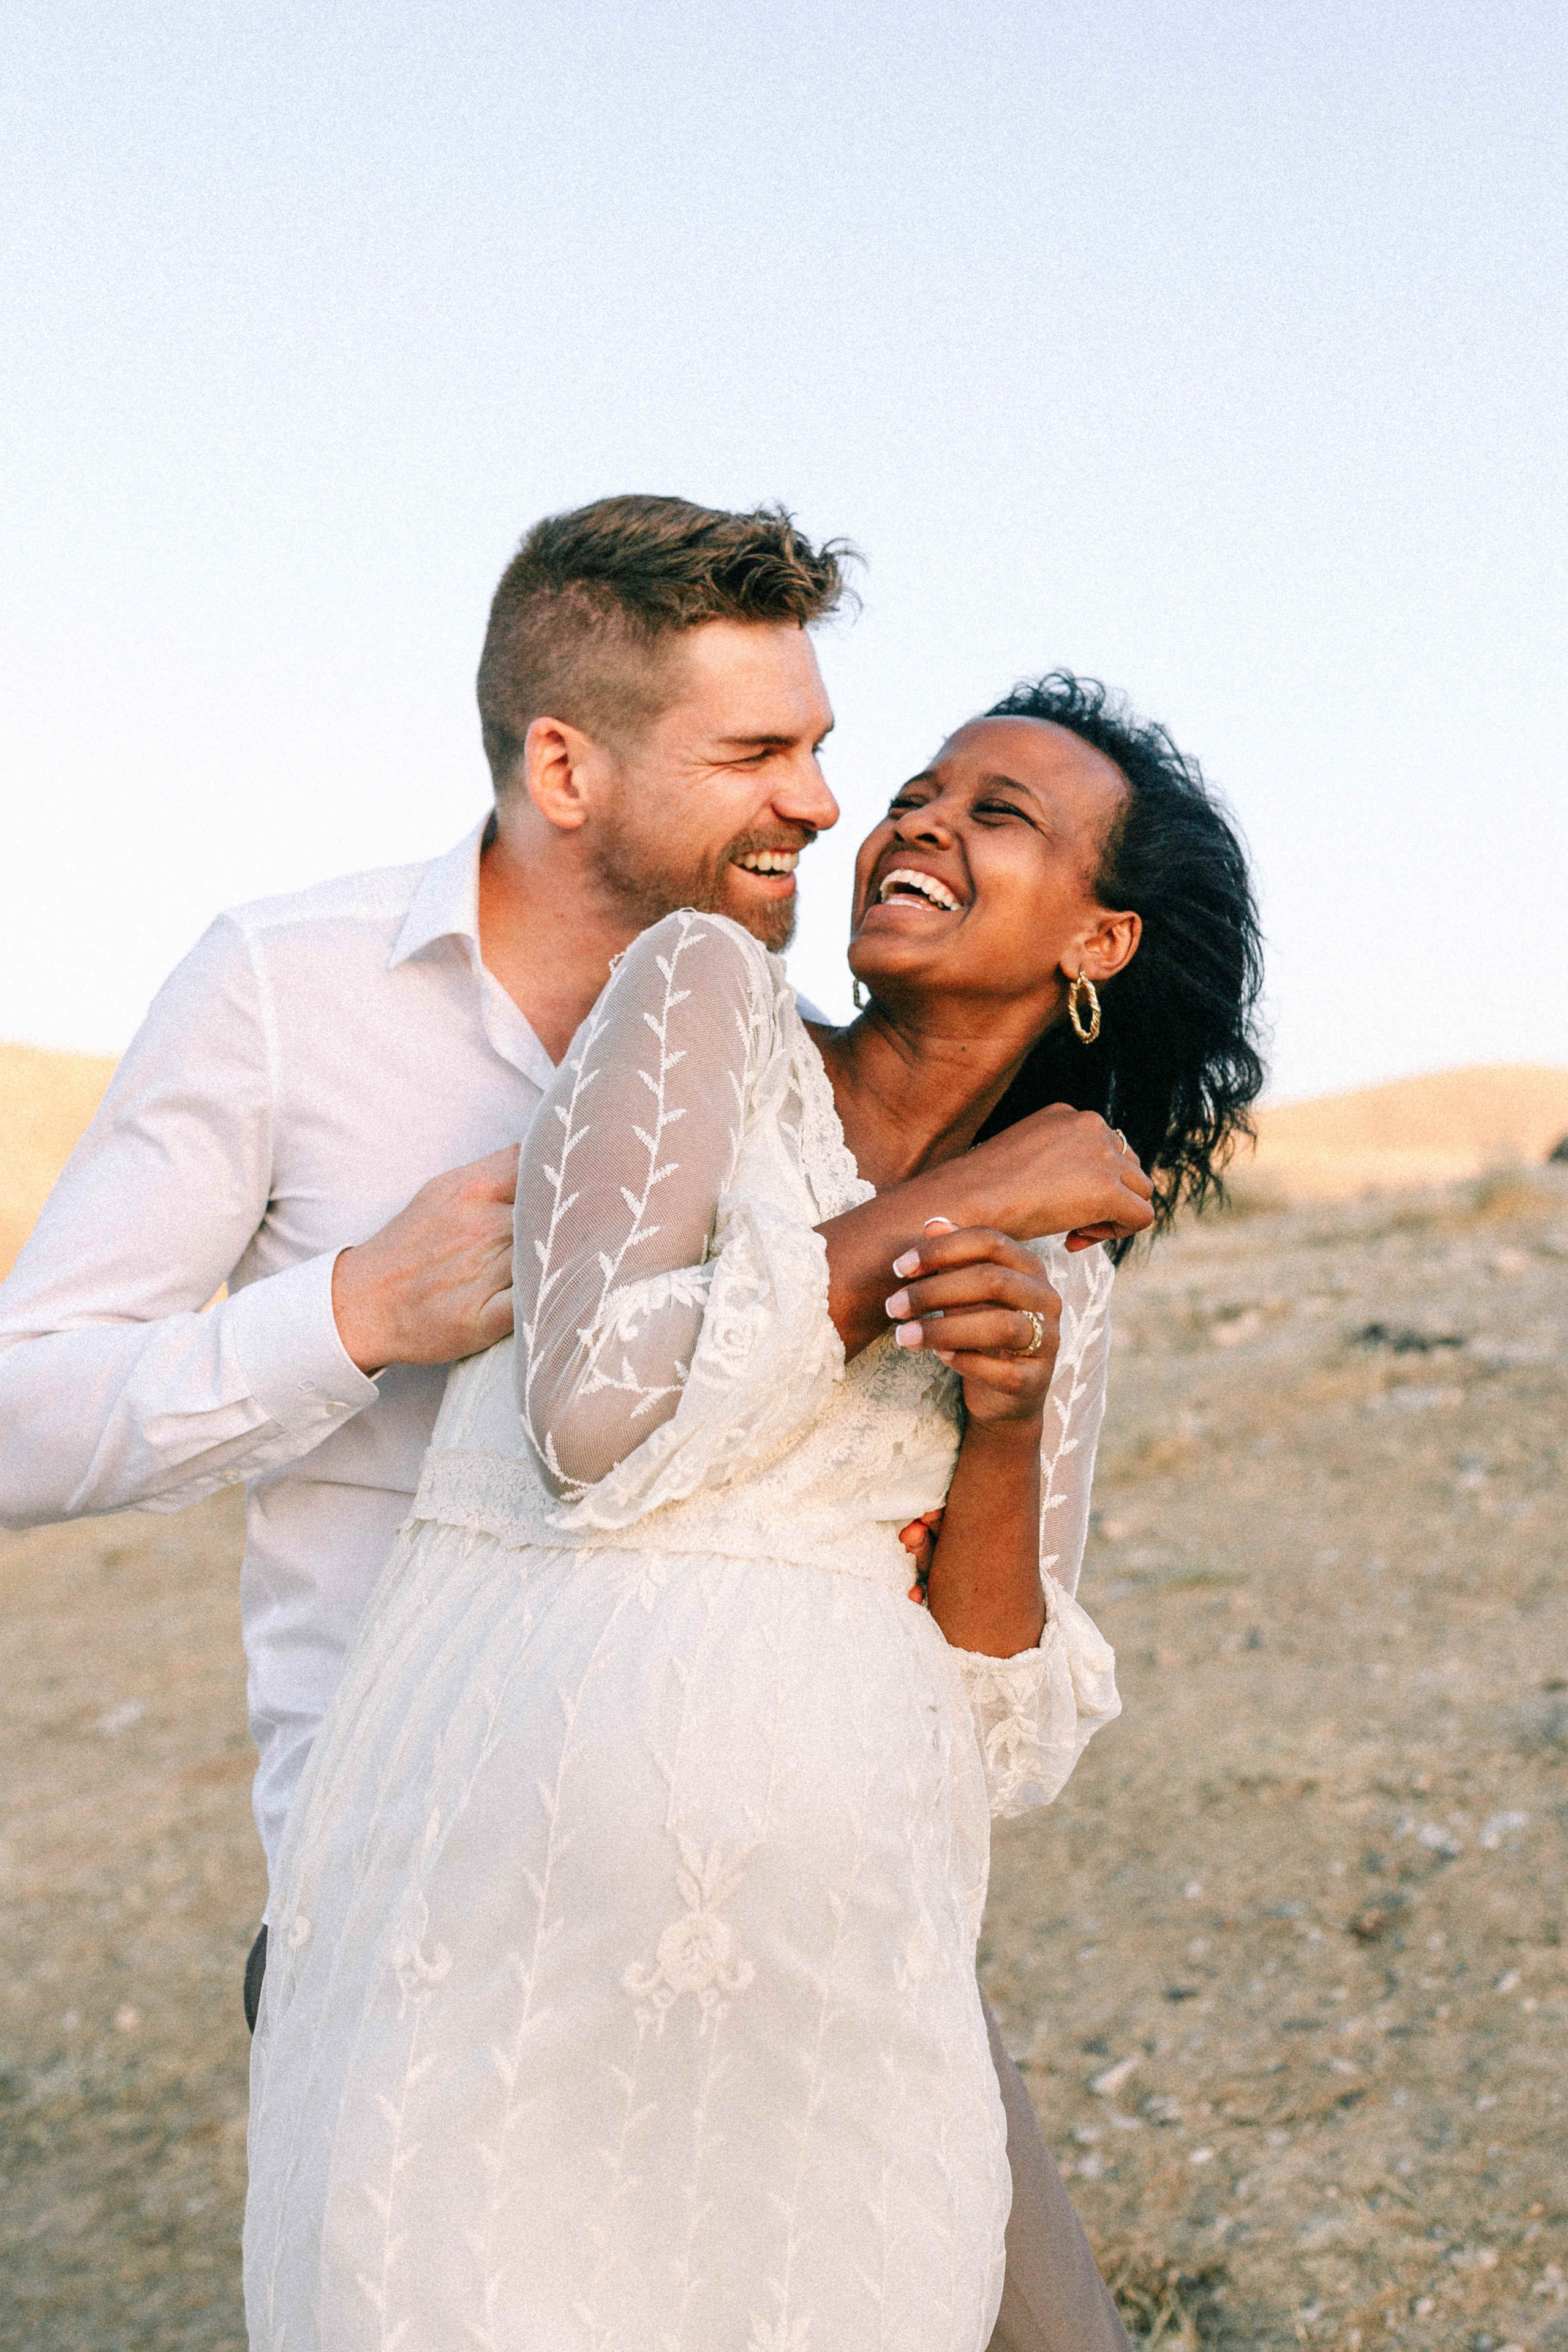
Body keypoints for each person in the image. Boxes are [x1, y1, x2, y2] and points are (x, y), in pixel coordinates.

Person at [0, 497, 1188, 2352]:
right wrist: (353, 1315)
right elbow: (23, 1417)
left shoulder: (800, 1057)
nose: (824, 804)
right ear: (567, 766)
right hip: (424, 1883)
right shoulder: (292, 992)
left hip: (793, 1898)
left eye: (823, 749)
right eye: (759, 756)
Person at [244, 677, 1264, 2344]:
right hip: (511, 1879)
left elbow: (999, 1728)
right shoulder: (703, 997)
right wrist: (952, 1204)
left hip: (830, 1951)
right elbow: (590, 1413)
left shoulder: (1058, 1266)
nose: (918, 822)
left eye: (997, 813)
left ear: (1101, 941)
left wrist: (1008, 1425)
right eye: (919, 792)